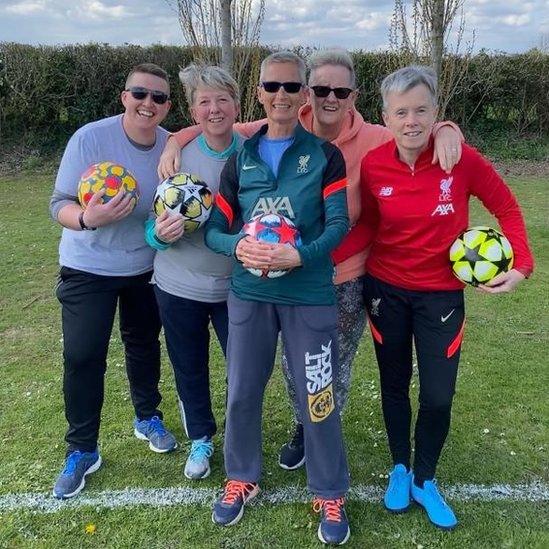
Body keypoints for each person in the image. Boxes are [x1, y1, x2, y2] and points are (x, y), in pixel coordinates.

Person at [158, 49, 464, 471]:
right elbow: (219, 125)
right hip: (264, 283)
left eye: (339, 90)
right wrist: (175, 139)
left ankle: (324, 466)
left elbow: (415, 127)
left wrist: (447, 127)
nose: (328, 97)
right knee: (266, 378)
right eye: (321, 89)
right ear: (301, 93)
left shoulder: (366, 140)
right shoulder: (257, 142)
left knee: (324, 377)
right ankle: (274, 453)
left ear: (350, 95)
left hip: (337, 277)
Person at [334, 65, 534, 530]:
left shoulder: (461, 160)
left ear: (435, 113)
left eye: (422, 110)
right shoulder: (375, 163)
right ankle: (402, 468)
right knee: (394, 384)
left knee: (438, 396)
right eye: (401, 111)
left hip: (441, 297)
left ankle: (427, 478)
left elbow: (505, 205)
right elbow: (368, 225)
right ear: (386, 115)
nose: (411, 120)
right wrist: (322, 258)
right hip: (385, 291)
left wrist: (521, 266)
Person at [205, 51, 351, 545]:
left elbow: (338, 225)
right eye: (274, 86)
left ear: (305, 96)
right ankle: (240, 477)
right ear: (260, 93)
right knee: (243, 389)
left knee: (317, 396)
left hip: (308, 293)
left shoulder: (326, 156)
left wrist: (301, 256)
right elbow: (213, 231)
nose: (283, 95)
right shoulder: (239, 158)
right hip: (249, 294)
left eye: (293, 87)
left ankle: (329, 490)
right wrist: (237, 245)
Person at [50, 63, 177, 500]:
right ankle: (82, 449)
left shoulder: (169, 145)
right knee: (84, 356)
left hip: (145, 268)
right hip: (88, 266)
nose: (148, 104)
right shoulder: (89, 138)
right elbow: (59, 204)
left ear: (167, 106)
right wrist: (88, 218)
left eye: (159, 98)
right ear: (125, 96)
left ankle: (148, 417)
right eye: (140, 94)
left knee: (143, 344)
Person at [144, 64, 243, 480]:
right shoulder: (177, 155)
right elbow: (152, 228)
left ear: (238, 105)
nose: (214, 109)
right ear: (192, 108)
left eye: (222, 99)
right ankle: (201, 438)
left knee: (242, 371)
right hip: (178, 283)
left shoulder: (254, 152)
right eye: (204, 101)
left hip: (236, 286)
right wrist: (162, 235)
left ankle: (241, 439)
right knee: (189, 367)